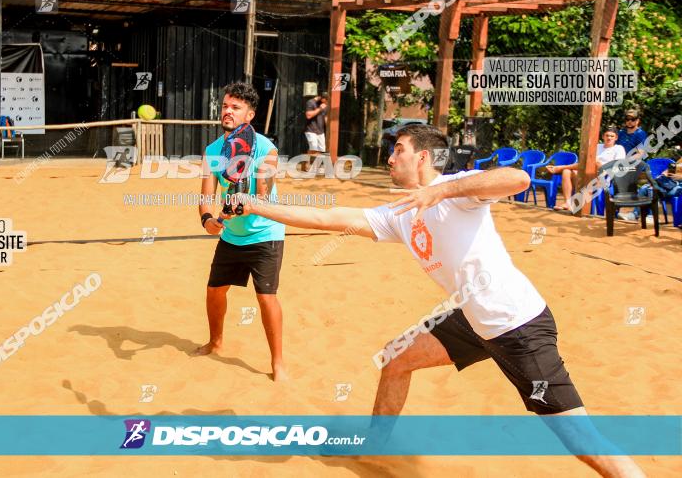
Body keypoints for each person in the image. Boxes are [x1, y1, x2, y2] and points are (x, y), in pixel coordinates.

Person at [229, 123, 644, 477]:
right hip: (471, 318)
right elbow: (326, 218)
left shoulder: (454, 189)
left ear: (424, 158)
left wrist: (441, 193)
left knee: (583, 443)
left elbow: (516, 180)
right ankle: (375, 445)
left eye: (398, 150)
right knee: (397, 359)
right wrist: (254, 204)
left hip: (517, 328)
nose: (390, 158)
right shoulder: (399, 212)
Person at [195, 82, 288, 381]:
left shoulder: (266, 148)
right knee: (214, 291)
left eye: (235, 107)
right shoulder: (212, 150)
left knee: (266, 297)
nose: (227, 111)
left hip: (265, 234)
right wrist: (208, 219)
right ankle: (215, 342)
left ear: (250, 115)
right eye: (225, 106)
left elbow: (264, 189)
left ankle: (277, 364)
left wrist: (252, 199)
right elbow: (205, 196)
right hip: (232, 234)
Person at [549, 127, 626, 211]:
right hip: (588, 173)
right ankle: (568, 203)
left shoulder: (619, 149)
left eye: (612, 136)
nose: (609, 138)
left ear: (616, 138)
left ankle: (560, 168)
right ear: (603, 136)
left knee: (594, 161)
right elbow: (584, 163)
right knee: (566, 171)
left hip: (604, 177)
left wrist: (598, 164)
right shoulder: (597, 146)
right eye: (607, 135)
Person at [303, 92, 328, 173]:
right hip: (311, 129)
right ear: (322, 98)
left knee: (321, 149)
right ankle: (306, 164)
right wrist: (320, 109)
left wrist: (328, 128)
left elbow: (325, 117)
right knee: (313, 147)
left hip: (320, 130)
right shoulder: (310, 102)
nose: (326, 102)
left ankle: (316, 167)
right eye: (326, 100)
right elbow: (308, 115)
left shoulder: (324, 105)